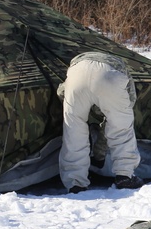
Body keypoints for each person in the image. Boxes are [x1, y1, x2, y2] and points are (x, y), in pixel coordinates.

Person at [59, 52, 144, 193]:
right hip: (111, 74)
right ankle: (125, 175)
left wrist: (73, 109)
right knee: (121, 126)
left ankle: (76, 182)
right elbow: (127, 105)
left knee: (73, 129)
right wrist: (100, 153)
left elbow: (61, 93)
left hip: (76, 73)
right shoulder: (122, 68)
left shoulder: (77, 63)